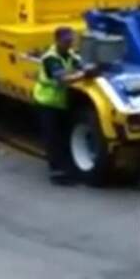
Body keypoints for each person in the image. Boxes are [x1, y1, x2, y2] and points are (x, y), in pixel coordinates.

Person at [32, 26, 93, 185]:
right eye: (67, 41)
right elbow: (63, 79)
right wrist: (84, 74)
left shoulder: (70, 55)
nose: (70, 44)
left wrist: (90, 68)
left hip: (59, 103)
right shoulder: (50, 59)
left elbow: (81, 64)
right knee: (52, 139)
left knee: (63, 137)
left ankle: (65, 169)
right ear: (57, 41)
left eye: (71, 40)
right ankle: (57, 173)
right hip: (47, 103)